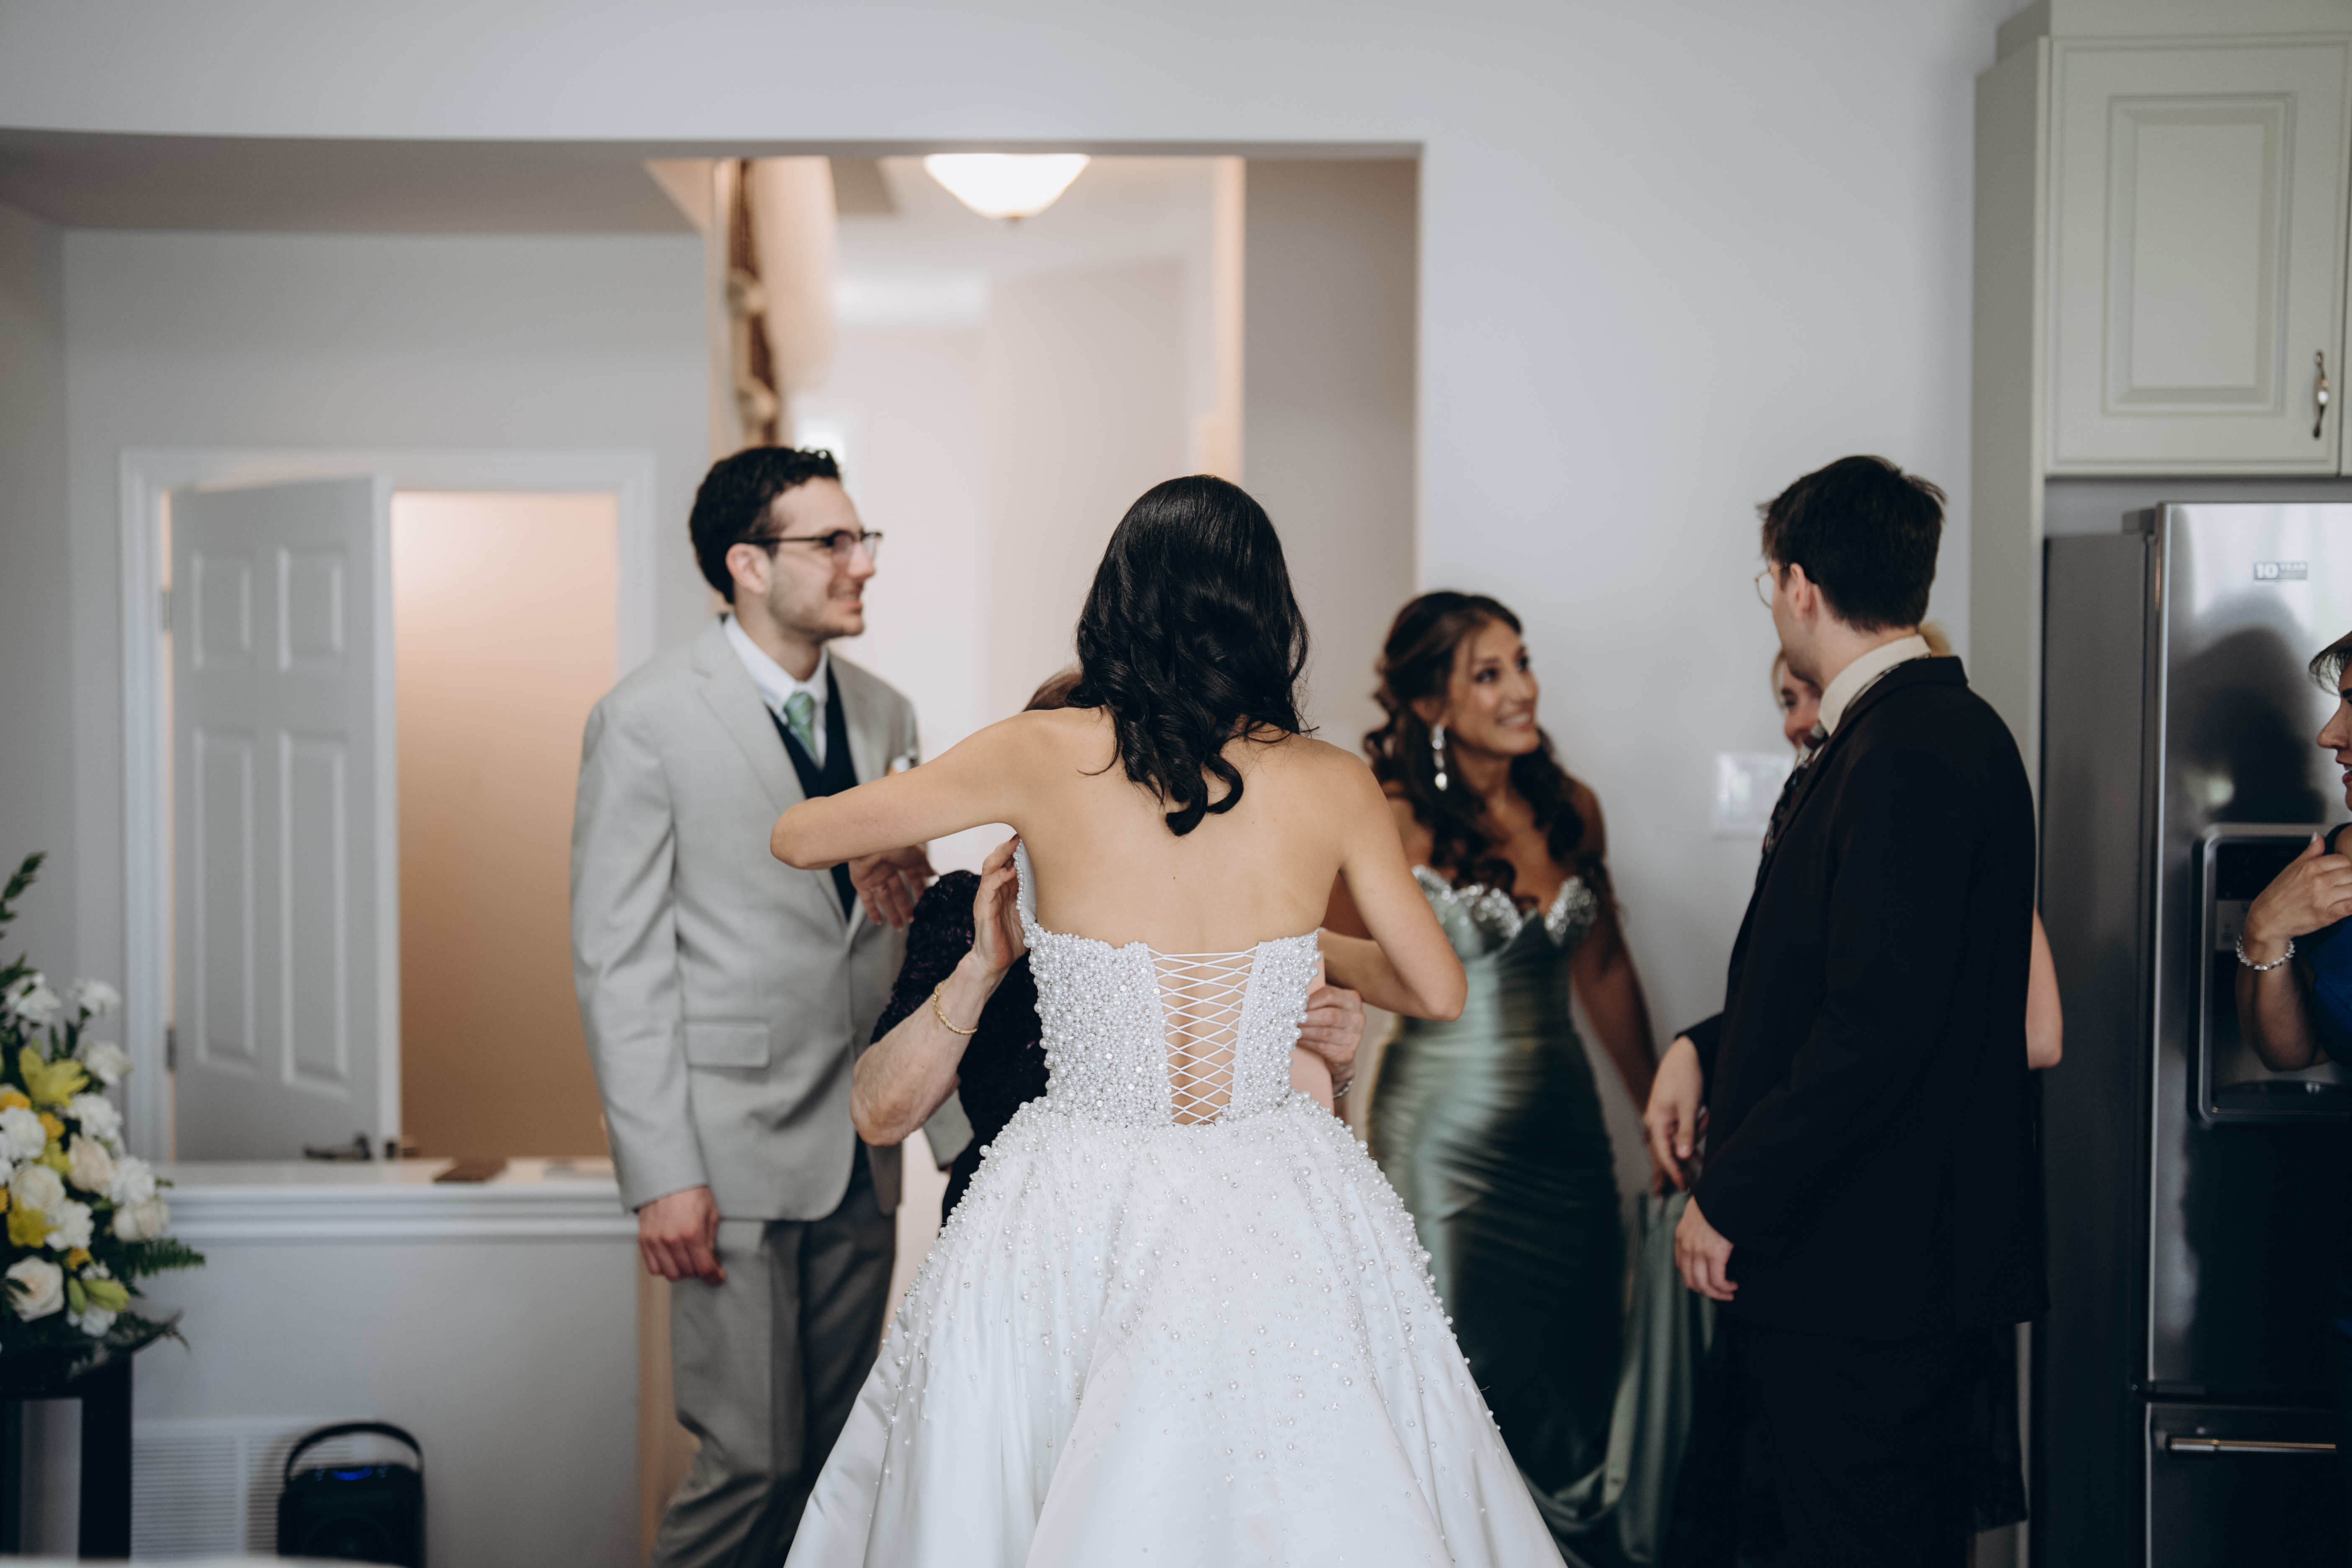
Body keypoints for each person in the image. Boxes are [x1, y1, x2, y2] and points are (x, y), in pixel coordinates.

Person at [772, 475, 1564, 1567]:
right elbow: (1437, 991)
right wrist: (1276, 945)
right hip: (1273, 1181)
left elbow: (798, 837)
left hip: (1076, 1184)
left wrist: (910, 822)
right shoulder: (1335, 783)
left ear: (1119, 600)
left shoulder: (1038, 753)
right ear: (1267, 614)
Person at [1642, 456, 2045, 1566]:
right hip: (1875, 1255)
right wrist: (1702, 1047)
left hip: (1872, 1263)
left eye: (1770, 582)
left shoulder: (1906, 750)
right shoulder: (1912, 733)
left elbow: (1877, 1027)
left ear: (1800, 585)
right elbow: (1844, 981)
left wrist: (1731, 1192)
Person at [570, 445, 932, 1567]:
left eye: (863, 539)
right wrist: (662, 1174)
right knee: (751, 1463)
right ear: (749, 564)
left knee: (833, 1469)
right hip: (724, 1163)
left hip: (864, 1150)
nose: (862, 563)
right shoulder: (644, 718)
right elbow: (618, 958)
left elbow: (890, 934)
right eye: (834, 542)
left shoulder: (887, 712)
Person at [1324, 591, 1692, 1560]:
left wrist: (1659, 1109)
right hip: (1438, 1149)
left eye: (1521, 664)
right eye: (1490, 674)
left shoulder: (1572, 809)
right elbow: (1323, 972)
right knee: (1456, 1379)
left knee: (1575, 1377)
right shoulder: (1386, 820)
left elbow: (1602, 971)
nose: (1523, 689)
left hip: (1566, 1141)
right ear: (1431, 704)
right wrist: (1318, 1141)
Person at [851, 669, 1372, 1223]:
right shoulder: (971, 907)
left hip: (1177, 1232)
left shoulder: (1214, 918)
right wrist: (982, 968)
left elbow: (1283, 1150)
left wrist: (1333, 1066)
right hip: (1011, 1229)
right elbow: (879, 1117)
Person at [2229, 625, 2352, 1548]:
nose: (2329, 734)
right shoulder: (2337, 859)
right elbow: (2289, 1049)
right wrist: (2264, 933)